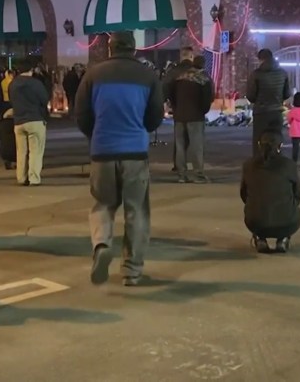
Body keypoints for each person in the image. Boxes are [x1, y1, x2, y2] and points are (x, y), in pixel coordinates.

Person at [75, 31, 165, 286]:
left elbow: (81, 114)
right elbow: (155, 116)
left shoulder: (92, 75)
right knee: (137, 210)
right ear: (134, 49)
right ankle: (132, 270)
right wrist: (138, 129)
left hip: (102, 151)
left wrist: (97, 135)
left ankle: (102, 243)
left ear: (110, 49)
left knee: (102, 204)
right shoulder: (148, 77)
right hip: (135, 151)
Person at [240, 131, 300, 254]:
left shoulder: (248, 165)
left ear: (259, 145)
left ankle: (260, 237)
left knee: (255, 208)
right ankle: (283, 238)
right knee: (293, 210)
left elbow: (244, 194)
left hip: (255, 222)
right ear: (280, 146)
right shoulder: (289, 165)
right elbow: (297, 193)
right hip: (287, 222)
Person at [169, 55, 214, 183]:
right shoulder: (203, 79)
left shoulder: (180, 77)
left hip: (179, 116)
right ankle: (198, 174)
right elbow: (207, 99)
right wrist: (203, 111)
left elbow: (171, 93)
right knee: (196, 146)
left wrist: (176, 108)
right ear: (203, 64)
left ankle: (181, 174)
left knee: (180, 146)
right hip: (196, 117)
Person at [10, 59, 50, 186]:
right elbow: (44, 99)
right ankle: (34, 178)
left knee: (21, 151)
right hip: (35, 119)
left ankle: (21, 177)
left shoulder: (13, 84)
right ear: (31, 70)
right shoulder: (35, 84)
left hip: (19, 120)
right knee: (35, 151)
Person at [246, 48, 290, 155]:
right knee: (276, 138)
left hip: (261, 112)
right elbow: (287, 94)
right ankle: (276, 161)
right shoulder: (282, 73)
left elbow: (251, 96)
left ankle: (258, 163)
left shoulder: (256, 74)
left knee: (259, 139)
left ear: (260, 60)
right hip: (277, 112)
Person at [164, 47, 194, 171]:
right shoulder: (196, 71)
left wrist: (170, 102)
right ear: (191, 56)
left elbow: (165, 88)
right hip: (195, 110)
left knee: (179, 140)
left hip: (178, 109)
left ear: (182, 56)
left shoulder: (173, 71)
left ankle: (179, 165)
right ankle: (196, 166)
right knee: (196, 141)